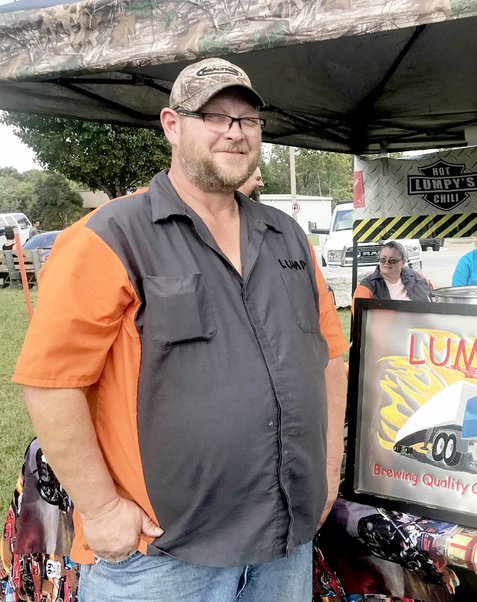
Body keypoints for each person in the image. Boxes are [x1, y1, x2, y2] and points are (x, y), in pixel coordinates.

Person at [12, 57, 348, 601]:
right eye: (215, 116)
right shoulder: (109, 236)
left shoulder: (288, 238)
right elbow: (51, 381)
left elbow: (330, 360)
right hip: (164, 558)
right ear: (171, 125)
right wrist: (99, 509)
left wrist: (328, 474)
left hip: (284, 543)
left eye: (248, 120)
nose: (235, 133)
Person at [352, 241, 431, 306]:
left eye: (392, 260)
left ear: (403, 262)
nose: (386, 263)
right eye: (383, 259)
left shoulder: (418, 278)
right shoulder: (366, 287)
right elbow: (358, 316)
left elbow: (433, 299)